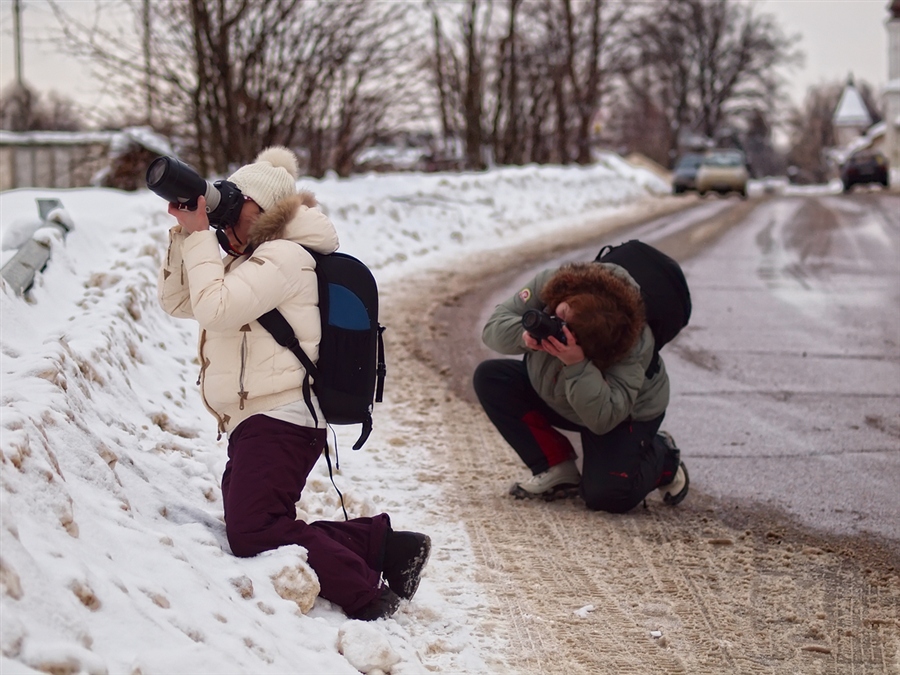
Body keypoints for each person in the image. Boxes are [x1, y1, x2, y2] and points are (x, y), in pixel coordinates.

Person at [157, 146, 430, 620]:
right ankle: (384, 546)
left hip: (281, 417)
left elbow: (215, 309)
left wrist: (201, 236)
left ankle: (366, 594)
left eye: (234, 205)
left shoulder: (285, 257)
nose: (224, 219)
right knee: (261, 525)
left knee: (254, 532)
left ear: (264, 211)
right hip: (259, 421)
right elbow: (181, 302)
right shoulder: (250, 260)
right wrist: (187, 234)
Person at [473, 260, 689, 512]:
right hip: (559, 394)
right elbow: (493, 328)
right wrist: (523, 336)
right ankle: (556, 466)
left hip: (621, 414)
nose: (555, 323)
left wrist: (576, 364)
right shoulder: (555, 283)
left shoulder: (631, 340)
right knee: (492, 378)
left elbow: (603, 419)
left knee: (607, 496)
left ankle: (664, 459)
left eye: (568, 329)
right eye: (560, 315)